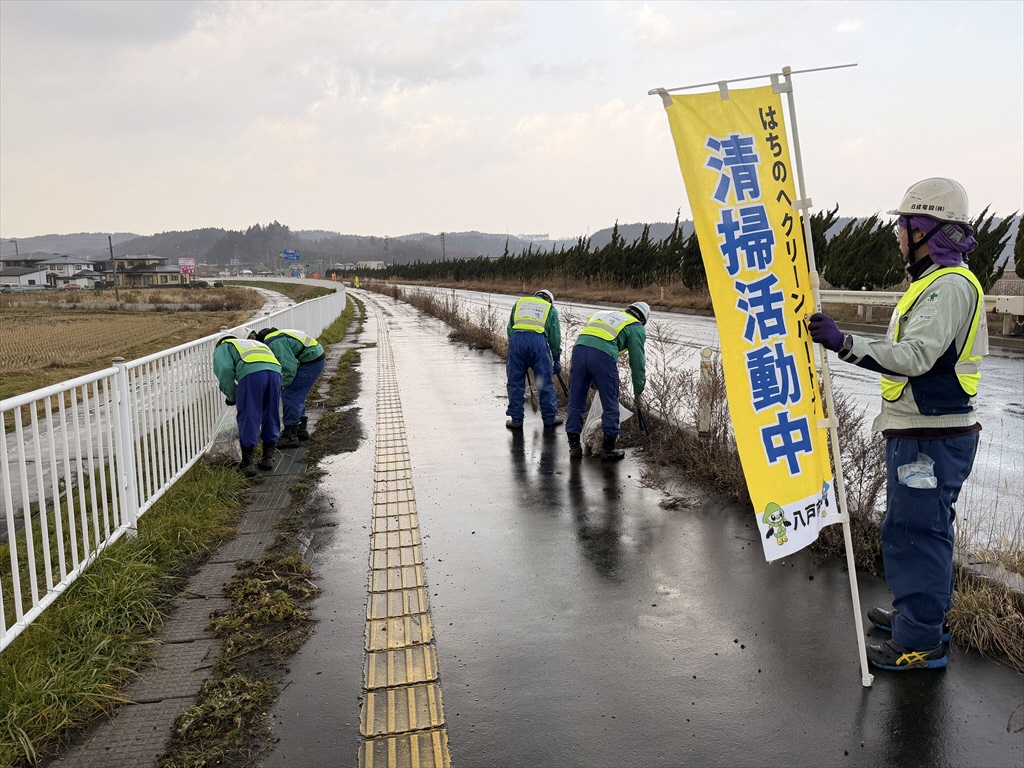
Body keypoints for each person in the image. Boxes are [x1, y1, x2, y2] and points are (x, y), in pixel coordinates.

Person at [808, 177, 987, 672]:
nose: (897, 236)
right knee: (923, 530)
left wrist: (845, 344)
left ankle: (920, 642)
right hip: (924, 431)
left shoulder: (948, 286)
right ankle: (920, 616)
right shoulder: (933, 284)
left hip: (930, 435)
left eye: (903, 227)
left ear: (927, 230)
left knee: (915, 534)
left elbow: (916, 356)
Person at [566, 302, 649, 461]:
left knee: (576, 401)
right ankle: (608, 450)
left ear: (628, 310)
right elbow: (637, 362)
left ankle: (574, 447)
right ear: (643, 320)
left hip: (579, 350)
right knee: (610, 402)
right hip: (602, 356)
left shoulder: (606, 315)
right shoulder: (636, 326)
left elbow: (592, 337)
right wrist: (638, 390)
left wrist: (591, 378)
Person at [214, 334, 283, 477]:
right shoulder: (252, 344)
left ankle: (247, 462)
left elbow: (225, 370)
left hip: (252, 375)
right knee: (271, 412)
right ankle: (268, 457)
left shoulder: (224, 346)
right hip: (275, 373)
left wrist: (232, 395)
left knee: (249, 415)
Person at [250, 327, 326, 448]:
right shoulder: (275, 336)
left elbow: (289, 369)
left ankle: (290, 436)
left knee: (290, 395)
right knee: (297, 394)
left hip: (312, 361)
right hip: (314, 357)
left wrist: (281, 387)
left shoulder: (273, 343)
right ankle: (301, 429)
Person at [505, 289, 563, 430]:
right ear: (549, 300)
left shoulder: (520, 303)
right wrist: (556, 358)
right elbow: (554, 337)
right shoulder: (550, 309)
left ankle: (516, 419)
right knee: (544, 381)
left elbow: (509, 329)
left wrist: (516, 349)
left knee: (515, 382)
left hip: (517, 340)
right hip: (538, 342)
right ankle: (549, 418)